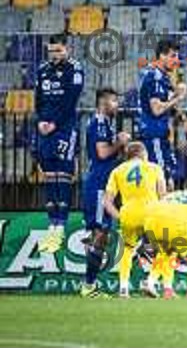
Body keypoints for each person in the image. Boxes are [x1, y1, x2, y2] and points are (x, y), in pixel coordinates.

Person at [35, 35, 84, 253]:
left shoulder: (75, 68)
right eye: (52, 51)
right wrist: (41, 121)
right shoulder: (42, 69)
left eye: (58, 51)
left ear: (67, 49)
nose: (55, 55)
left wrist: (54, 122)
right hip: (45, 127)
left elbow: (70, 100)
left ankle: (61, 227)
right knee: (48, 174)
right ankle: (51, 224)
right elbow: (38, 98)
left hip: (64, 127)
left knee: (62, 174)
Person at [80, 88, 130, 297]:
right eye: (114, 101)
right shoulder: (99, 123)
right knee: (101, 234)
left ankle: (90, 282)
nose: (117, 106)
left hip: (103, 184)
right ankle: (88, 285)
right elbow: (102, 154)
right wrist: (120, 142)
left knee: (101, 235)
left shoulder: (105, 124)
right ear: (103, 102)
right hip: (99, 185)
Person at [103, 142, 167, 298]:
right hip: (151, 213)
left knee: (127, 250)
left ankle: (123, 288)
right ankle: (150, 282)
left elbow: (106, 202)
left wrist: (119, 216)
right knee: (165, 250)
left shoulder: (117, 171)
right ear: (143, 153)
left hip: (128, 214)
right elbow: (163, 195)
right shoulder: (154, 167)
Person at [143, 184, 187, 299]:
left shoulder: (172, 195)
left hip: (150, 223)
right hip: (175, 224)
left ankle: (159, 286)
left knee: (166, 254)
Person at [138, 39, 187, 190]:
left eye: (177, 56)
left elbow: (167, 106)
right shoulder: (154, 76)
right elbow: (157, 109)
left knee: (168, 180)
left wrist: (185, 122)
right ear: (161, 56)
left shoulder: (162, 76)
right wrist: (179, 96)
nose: (176, 60)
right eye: (173, 56)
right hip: (154, 137)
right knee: (160, 181)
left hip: (161, 137)